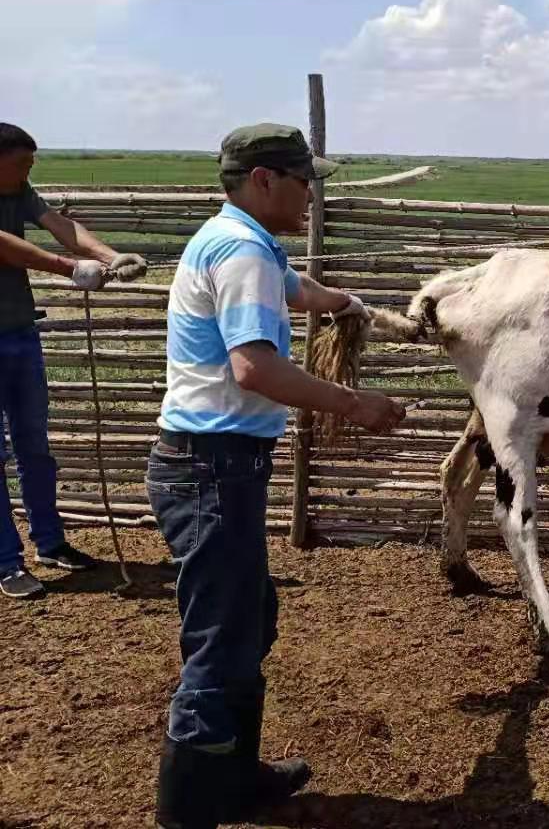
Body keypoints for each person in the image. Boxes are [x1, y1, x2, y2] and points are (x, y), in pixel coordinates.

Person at [151, 124, 406, 828]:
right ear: (264, 180)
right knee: (223, 631)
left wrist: (340, 303)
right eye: (303, 179)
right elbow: (254, 368)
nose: (311, 193)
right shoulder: (240, 253)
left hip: (214, 466)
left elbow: (294, 289)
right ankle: (191, 804)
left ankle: (231, 774)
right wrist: (355, 404)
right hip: (211, 467)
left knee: (247, 616)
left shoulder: (241, 243)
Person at [0, 122, 148, 600]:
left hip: (18, 332)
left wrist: (110, 256)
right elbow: (4, 244)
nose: (29, 171)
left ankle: (50, 542)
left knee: (35, 446)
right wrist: (70, 269)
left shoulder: (17, 188)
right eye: (22, 162)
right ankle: (5, 563)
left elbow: (61, 226)